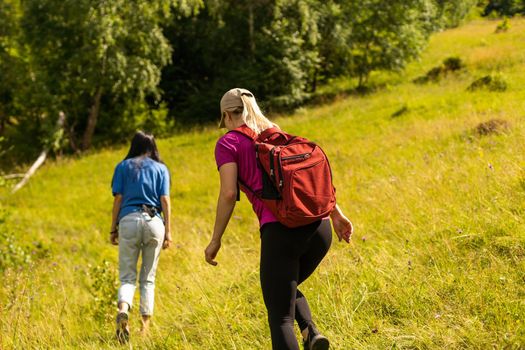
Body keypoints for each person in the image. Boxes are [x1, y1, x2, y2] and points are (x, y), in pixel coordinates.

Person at [204, 88, 353, 350]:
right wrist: (336, 214)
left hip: (282, 232)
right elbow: (304, 181)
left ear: (227, 115)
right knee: (284, 288)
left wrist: (216, 239)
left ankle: (308, 332)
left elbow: (229, 193)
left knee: (280, 315)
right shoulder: (274, 132)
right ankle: (310, 333)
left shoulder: (228, 144)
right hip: (320, 228)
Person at [110, 131, 172, 343]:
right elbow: (165, 200)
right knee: (148, 278)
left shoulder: (123, 166)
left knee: (127, 276)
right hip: (154, 222)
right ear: (153, 147)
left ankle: (123, 309)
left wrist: (113, 228)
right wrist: (169, 232)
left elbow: (118, 198)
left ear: (133, 146)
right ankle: (144, 329)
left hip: (128, 221)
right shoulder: (161, 169)